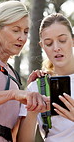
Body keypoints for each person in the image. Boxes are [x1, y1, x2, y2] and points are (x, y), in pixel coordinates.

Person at [0, 0, 48, 142]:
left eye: (26, 32)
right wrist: (13, 94)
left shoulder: (14, 77)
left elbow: (19, 138)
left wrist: (31, 105)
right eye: (16, 30)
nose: (22, 38)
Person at [27, 13, 74, 142]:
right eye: (48, 43)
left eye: (62, 40)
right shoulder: (35, 87)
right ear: (42, 46)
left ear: (73, 40)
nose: (56, 48)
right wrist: (32, 111)